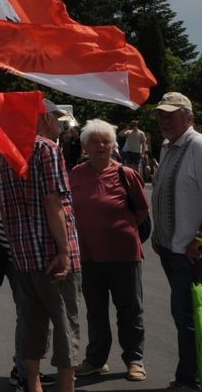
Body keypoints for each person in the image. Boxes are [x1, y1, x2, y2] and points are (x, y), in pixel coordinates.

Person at [0, 100, 81, 392]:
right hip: (51, 254)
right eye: (57, 118)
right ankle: (66, 387)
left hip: (23, 256)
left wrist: (18, 247)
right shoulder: (47, 149)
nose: (60, 124)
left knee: (33, 325)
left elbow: (3, 207)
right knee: (65, 324)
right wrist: (65, 252)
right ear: (44, 118)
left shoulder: (6, 152)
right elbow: (53, 201)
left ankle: (32, 385)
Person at [150, 92, 202, 391]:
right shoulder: (169, 147)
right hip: (174, 247)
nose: (164, 120)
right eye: (161, 115)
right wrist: (160, 235)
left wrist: (200, 238)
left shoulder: (199, 145)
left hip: (194, 250)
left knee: (188, 313)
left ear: (189, 117)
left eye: (171, 114)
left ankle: (194, 379)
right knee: (191, 311)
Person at [70, 119, 149, 382]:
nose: (101, 145)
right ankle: (96, 360)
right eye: (95, 141)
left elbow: (141, 212)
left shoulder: (126, 174)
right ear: (84, 147)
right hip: (88, 256)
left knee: (130, 309)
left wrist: (117, 230)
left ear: (113, 145)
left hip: (124, 254)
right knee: (96, 311)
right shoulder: (75, 175)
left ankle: (134, 359)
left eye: (106, 141)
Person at [0, 192, 55, 390]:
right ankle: (23, 374)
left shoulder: (44, 178)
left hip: (42, 259)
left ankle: (26, 369)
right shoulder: (6, 183)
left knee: (38, 316)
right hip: (16, 261)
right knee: (28, 316)